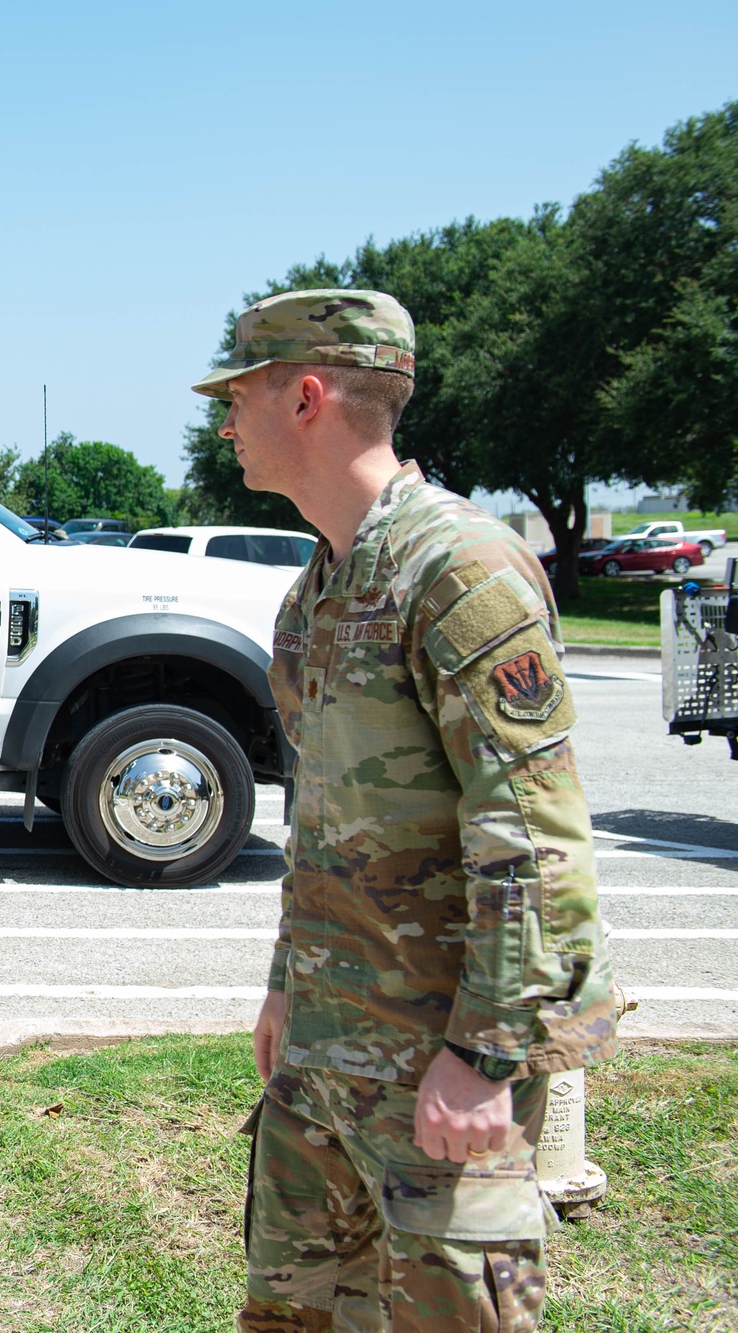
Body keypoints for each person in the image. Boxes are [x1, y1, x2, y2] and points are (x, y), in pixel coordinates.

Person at [193, 290, 617, 1333]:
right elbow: (320, 826)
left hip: (440, 1066)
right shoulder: (319, 590)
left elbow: (537, 840)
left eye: (235, 395)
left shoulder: (460, 570)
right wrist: (285, 987)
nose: (222, 421)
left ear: (303, 396)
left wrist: (483, 1058)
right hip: (328, 1055)